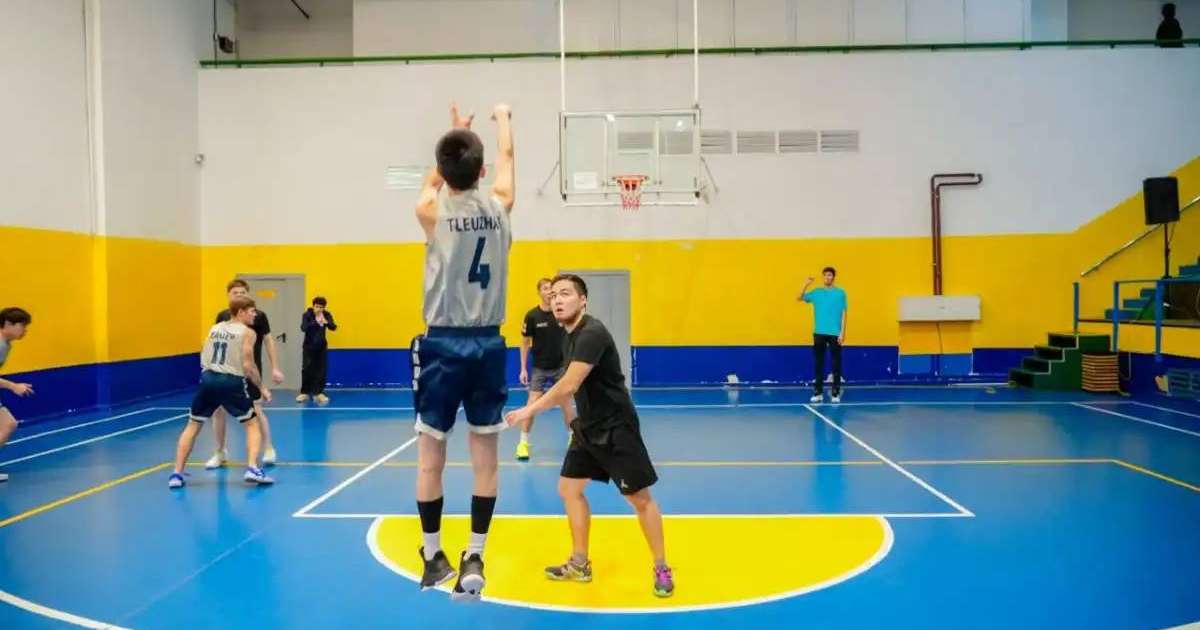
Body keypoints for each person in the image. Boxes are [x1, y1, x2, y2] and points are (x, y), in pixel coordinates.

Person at [505, 274, 675, 598]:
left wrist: (528, 411)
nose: (557, 300)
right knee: (569, 489)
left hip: (616, 427)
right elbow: (571, 388)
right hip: (588, 426)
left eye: (565, 294)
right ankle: (579, 563)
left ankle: (661, 566)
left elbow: (568, 385)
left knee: (639, 499)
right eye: (553, 294)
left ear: (583, 300)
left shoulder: (591, 333)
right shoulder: (567, 334)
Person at [411, 102, 514, 601]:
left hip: (442, 342)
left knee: (431, 457)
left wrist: (456, 131)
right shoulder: (501, 205)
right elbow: (508, 157)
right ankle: (476, 552)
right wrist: (502, 119)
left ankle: (433, 556)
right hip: (489, 342)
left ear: (445, 171)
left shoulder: (430, 211)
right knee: (485, 461)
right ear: (482, 170)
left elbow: (430, 184)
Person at [169, 297, 274, 489]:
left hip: (208, 379)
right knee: (251, 424)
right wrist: (262, 388)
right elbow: (249, 365)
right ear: (240, 312)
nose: (255, 314)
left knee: (193, 424)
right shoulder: (248, 333)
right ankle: (252, 468)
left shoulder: (215, 328)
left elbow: (204, 353)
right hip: (231, 381)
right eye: (252, 311)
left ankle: (176, 474)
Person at [205, 279, 284, 469]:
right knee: (218, 411)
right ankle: (220, 451)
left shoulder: (257, 316)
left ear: (248, 294)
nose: (239, 295)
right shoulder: (222, 317)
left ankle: (268, 448)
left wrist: (275, 367)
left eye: (242, 293)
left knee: (256, 410)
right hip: (226, 372)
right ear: (229, 295)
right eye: (235, 293)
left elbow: (268, 340)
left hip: (249, 370)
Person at [516, 278, 575, 461]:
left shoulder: (561, 313)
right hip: (539, 368)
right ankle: (523, 443)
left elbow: (572, 336)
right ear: (539, 292)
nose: (549, 291)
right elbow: (525, 343)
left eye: (551, 288)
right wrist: (523, 369)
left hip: (560, 367)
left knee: (566, 403)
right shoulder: (532, 316)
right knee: (532, 404)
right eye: (546, 288)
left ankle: (574, 438)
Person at [798, 267, 848, 404]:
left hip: (835, 334)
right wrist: (806, 283)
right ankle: (818, 392)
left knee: (836, 364)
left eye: (830, 275)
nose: (827, 277)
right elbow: (799, 297)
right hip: (819, 332)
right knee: (818, 363)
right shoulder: (816, 293)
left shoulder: (840, 293)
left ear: (833, 277)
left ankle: (835, 393)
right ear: (823, 277)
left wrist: (842, 332)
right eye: (825, 275)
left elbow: (844, 313)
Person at [0, 307, 34, 483]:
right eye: (22, 326)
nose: (25, 331)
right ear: (8, 324)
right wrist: (13, 386)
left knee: (9, 424)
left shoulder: (5, 344)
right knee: (8, 424)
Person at [298, 296, 337, 405]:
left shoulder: (327, 314)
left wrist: (326, 322)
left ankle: (318, 392)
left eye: (321, 307)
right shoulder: (307, 315)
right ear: (313, 306)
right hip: (308, 347)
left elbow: (334, 327)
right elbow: (303, 328)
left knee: (321, 369)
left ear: (324, 308)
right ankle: (304, 392)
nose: (319, 309)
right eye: (317, 306)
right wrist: (315, 322)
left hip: (321, 347)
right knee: (306, 368)